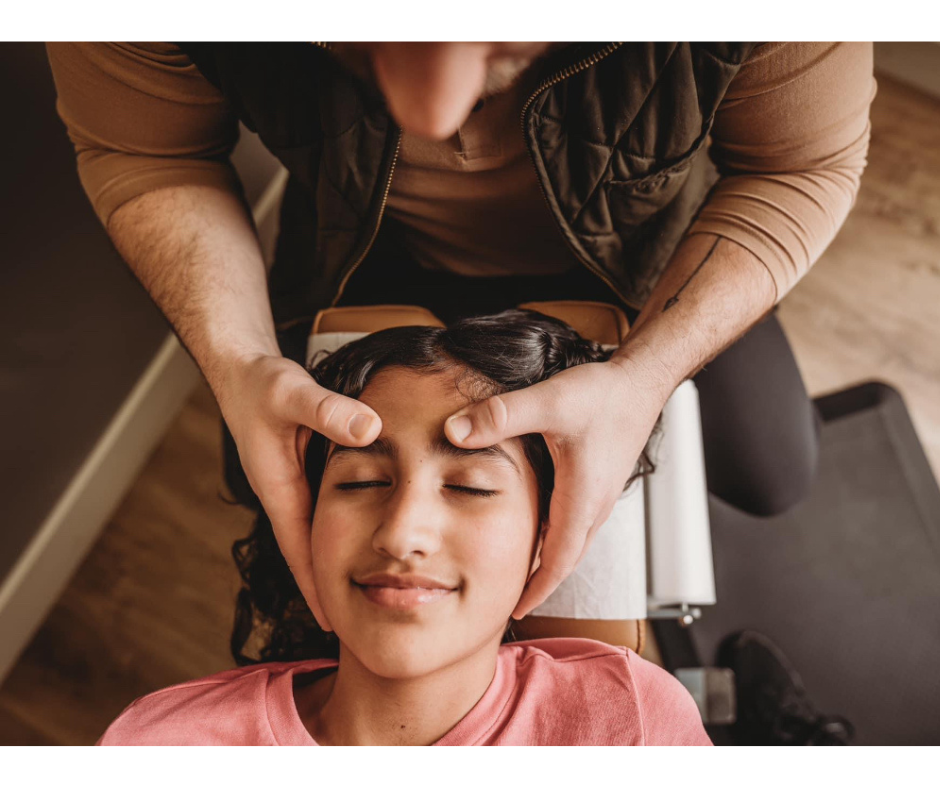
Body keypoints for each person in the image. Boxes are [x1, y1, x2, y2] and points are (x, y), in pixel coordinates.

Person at [46, 41, 876, 624]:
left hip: (643, 261)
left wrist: (647, 374)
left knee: (774, 472)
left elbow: (799, 167)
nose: (434, 114)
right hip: (365, 250)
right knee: (255, 469)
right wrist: (236, 362)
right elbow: (146, 152)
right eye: (361, 48)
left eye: (474, 484)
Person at [97, 310, 708, 747]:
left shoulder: (629, 721)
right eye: (361, 482)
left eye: (470, 487)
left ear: (548, 536)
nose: (400, 534)